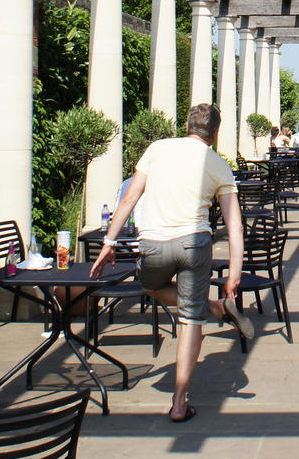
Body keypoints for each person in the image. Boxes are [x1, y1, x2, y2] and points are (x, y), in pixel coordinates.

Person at [91, 103, 252, 423]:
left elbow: (129, 198)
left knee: (150, 286)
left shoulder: (157, 149)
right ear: (216, 133)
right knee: (192, 321)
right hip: (195, 244)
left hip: (152, 243)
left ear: (188, 125)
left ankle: (209, 308)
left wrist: (109, 243)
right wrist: (234, 273)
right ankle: (180, 402)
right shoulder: (218, 164)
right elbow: (234, 224)